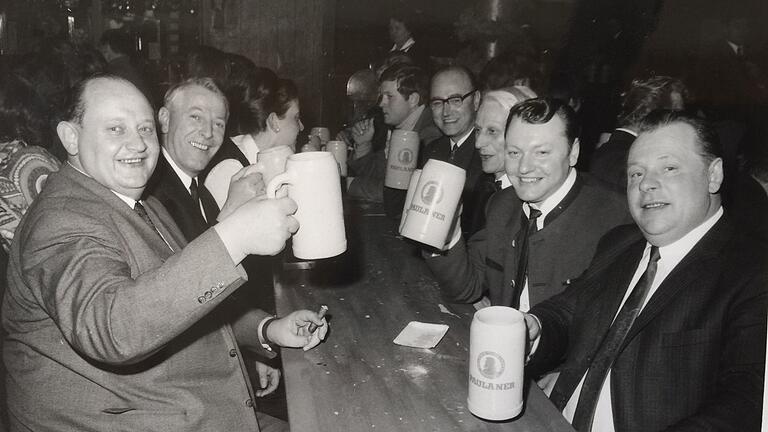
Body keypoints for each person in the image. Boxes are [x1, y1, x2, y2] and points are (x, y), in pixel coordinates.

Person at [2, 75, 328, 431]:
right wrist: (235, 235)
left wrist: (267, 329)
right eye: (115, 129)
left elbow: (183, 301)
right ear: (71, 137)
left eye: (144, 129)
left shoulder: (140, 201)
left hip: (196, 407)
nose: (138, 144)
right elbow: (114, 328)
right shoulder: (60, 219)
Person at [523, 110, 766, 431]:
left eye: (669, 168)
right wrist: (534, 327)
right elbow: (569, 311)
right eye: (636, 173)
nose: (647, 184)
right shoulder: (620, 243)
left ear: (713, 175)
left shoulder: (753, 271)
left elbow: (745, 402)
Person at [425, 98, 630, 311]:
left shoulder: (617, 216)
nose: (523, 168)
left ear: (573, 152)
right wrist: (443, 231)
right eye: (514, 153)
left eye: (541, 153)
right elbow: (467, 288)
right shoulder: (501, 205)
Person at [347, 63, 441, 212]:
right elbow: (383, 176)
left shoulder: (429, 135)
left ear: (413, 99)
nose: (381, 103)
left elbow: (402, 194)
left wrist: (349, 185)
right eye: (382, 96)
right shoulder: (400, 127)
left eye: (389, 97)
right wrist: (364, 145)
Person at [203, 76, 303, 208]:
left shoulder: (271, 158)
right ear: (274, 122)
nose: (301, 127)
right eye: (296, 118)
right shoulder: (229, 169)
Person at [420, 65, 492, 235]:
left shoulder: (489, 156)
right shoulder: (431, 151)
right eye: (437, 103)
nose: (446, 111)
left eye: (455, 100)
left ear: (476, 100)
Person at [590, 76, 688, 190]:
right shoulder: (622, 159)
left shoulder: (614, 153)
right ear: (652, 115)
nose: (682, 123)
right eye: (677, 115)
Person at [468, 86, 537, 232]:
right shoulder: (482, 184)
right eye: (478, 130)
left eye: (492, 131)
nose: (478, 143)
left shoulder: (531, 199)